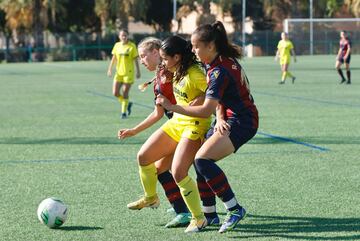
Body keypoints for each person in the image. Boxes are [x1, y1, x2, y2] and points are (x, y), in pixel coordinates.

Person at [156, 21, 259, 233]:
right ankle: (210, 215)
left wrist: (173, 107)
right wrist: (220, 117)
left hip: (243, 121)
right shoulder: (218, 63)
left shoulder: (218, 70)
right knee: (200, 163)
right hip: (230, 118)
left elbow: (205, 109)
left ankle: (234, 208)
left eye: (196, 46)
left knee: (202, 159)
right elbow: (220, 99)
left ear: (210, 46)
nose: (192, 50)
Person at [122, 35, 212, 233]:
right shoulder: (172, 71)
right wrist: (134, 130)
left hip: (194, 124)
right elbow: (162, 110)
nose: (162, 62)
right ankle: (152, 197)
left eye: (163, 57)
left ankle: (199, 218)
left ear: (176, 57)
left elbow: (213, 94)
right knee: (144, 157)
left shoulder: (193, 72)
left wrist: (219, 119)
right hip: (177, 122)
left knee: (179, 172)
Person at [107, 29, 141, 119]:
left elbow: (135, 60)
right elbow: (114, 58)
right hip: (119, 73)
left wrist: (138, 71)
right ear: (119, 36)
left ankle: (123, 113)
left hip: (128, 73)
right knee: (115, 93)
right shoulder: (117, 45)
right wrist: (110, 69)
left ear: (128, 36)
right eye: (122, 35)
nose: (124, 37)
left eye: (125, 35)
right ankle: (127, 103)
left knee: (125, 92)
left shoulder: (132, 46)